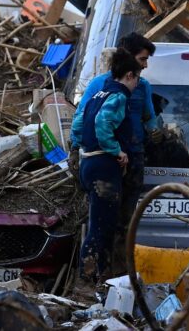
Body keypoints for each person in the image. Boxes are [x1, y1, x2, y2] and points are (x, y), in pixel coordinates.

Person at [70, 32, 157, 276]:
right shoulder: (103, 87)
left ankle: (117, 278)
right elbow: (87, 119)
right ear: (127, 60)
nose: (145, 66)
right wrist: (78, 149)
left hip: (131, 158)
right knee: (101, 220)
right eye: (142, 59)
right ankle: (94, 276)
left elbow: (150, 119)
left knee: (123, 222)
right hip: (108, 160)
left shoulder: (143, 87)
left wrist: (160, 136)